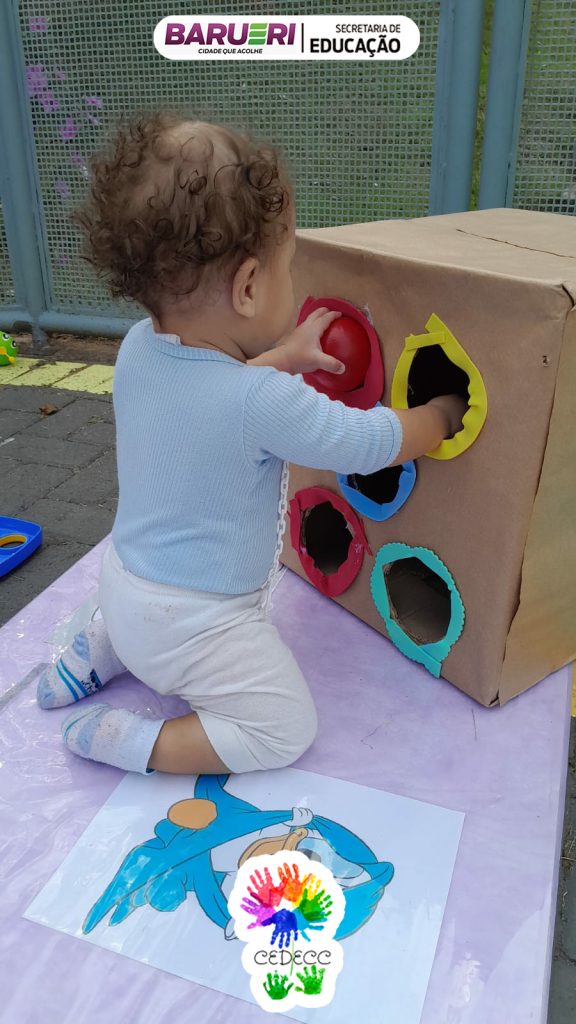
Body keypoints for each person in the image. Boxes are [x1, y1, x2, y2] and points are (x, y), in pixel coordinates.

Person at [37, 112, 466, 776]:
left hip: (123, 587)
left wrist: (281, 356)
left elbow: (209, 403)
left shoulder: (137, 350)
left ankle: (100, 649)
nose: (293, 285)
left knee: (135, 625)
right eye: (287, 268)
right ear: (247, 287)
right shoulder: (259, 401)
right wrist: (438, 416)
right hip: (197, 630)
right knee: (284, 730)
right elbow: (363, 441)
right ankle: (132, 743)